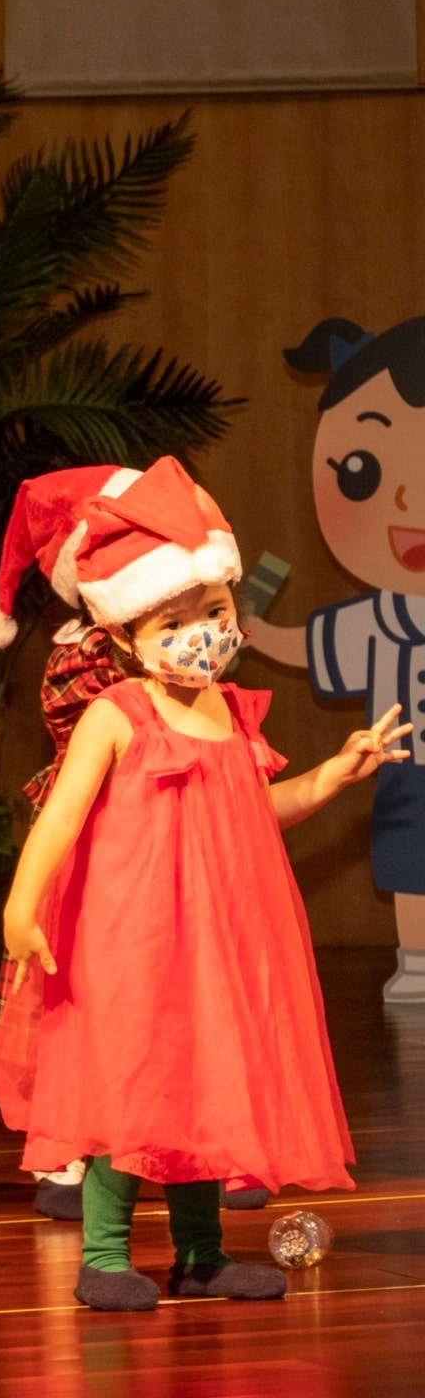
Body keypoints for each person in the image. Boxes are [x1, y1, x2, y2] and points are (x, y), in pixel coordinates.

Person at [0, 456, 396, 1312]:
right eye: (174, 621)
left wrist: (331, 776)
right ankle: (104, 1255)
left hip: (219, 936)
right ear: (126, 635)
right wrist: (22, 908)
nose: (201, 633)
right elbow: (59, 819)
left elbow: (252, 808)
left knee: (199, 1088)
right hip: (129, 934)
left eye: (213, 612)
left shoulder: (228, 711)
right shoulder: (118, 714)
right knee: (129, 1088)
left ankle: (200, 1256)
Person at [0, 464, 273, 1220]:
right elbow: (73, 796)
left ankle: (215, 1147)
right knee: (92, 1009)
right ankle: (79, 1151)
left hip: (187, 839)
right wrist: (24, 903)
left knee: (199, 1003)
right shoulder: (90, 664)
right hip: (116, 845)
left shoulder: (208, 678)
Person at [243, 317, 425, 1002]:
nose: (410, 498)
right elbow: (308, 643)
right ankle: (419, 962)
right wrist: (247, 626)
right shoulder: (377, 617)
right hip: (408, 767)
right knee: (412, 865)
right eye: (364, 471)